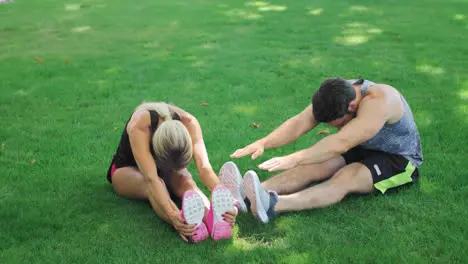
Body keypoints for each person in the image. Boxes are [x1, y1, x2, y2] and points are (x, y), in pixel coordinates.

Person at [221, 78, 423, 223]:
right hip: (360, 144)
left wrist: (295, 157)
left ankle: (272, 205)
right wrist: (263, 142)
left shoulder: (380, 101)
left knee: (346, 177)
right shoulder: (334, 96)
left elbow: (341, 141)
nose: (336, 127)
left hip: (399, 159)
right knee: (311, 166)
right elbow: (299, 124)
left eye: (339, 123)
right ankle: (247, 195)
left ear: (352, 106)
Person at [106, 102, 237, 241]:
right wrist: (172, 214)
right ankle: (185, 224)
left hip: (160, 170)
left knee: (186, 180)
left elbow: (204, 167)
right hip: (125, 171)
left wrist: (223, 195)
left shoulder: (189, 123)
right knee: (154, 184)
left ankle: (213, 218)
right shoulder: (140, 125)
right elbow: (152, 179)